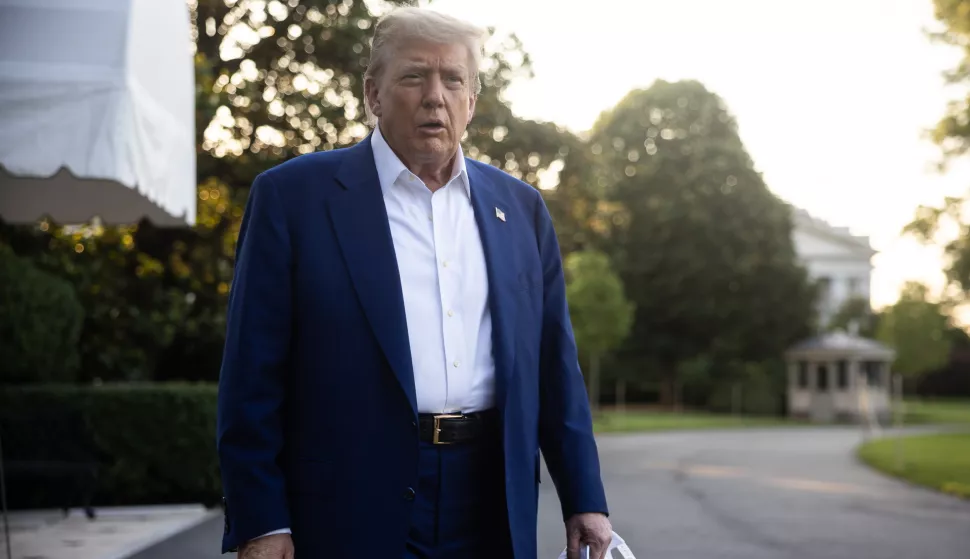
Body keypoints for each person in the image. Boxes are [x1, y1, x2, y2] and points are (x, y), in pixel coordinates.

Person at [216, 6, 611, 559]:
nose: (435, 96)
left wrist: (585, 499)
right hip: (348, 502)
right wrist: (261, 521)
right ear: (373, 93)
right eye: (413, 76)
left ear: (472, 101)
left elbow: (554, 367)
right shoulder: (293, 199)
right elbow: (251, 377)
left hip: (491, 498)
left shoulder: (521, 209)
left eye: (453, 80)